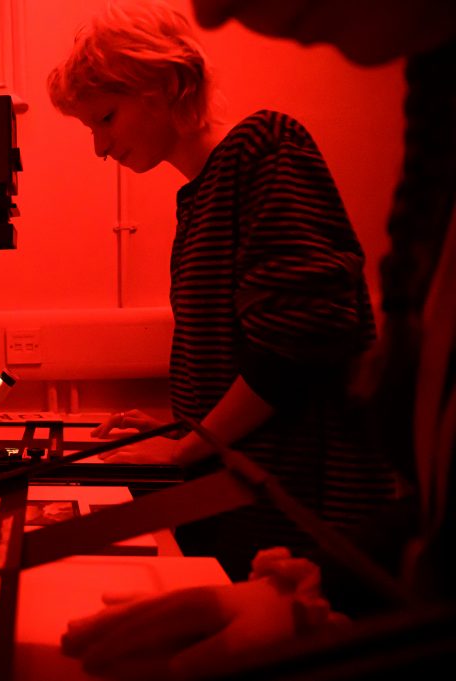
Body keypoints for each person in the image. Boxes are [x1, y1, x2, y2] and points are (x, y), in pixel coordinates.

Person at [59, 0, 456, 678]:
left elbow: (298, 338)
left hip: (299, 508)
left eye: (105, 117)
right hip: (256, 520)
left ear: (162, 86)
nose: (99, 146)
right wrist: (178, 425)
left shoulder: (263, 146)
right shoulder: (203, 193)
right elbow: (243, 351)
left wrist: (186, 445)